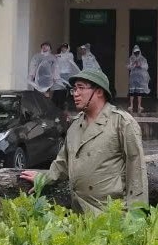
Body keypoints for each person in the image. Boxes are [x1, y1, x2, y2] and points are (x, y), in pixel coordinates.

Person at [19, 69, 148, 214]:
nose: (75, 93)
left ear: (99, 91)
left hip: (112, 215)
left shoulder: (121, 122)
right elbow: (63, 163)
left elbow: (136, 169)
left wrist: (136, 215)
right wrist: (43, 179)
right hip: (80, 214)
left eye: (81, 88)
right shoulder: (75, 125)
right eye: (74, 89)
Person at [52, 43, 80, 111]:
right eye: (62, 47)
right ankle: (55, 106)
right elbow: (55, 65)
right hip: (58, 75)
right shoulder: (58, 56)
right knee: (57, 91)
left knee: (62, 90)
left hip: (66, 75)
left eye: (65, 47)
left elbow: (65, 58)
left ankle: (60, 107)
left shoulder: (70, 54)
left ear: (67, 48)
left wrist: (57, 56)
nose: (63, 48)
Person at [127, 45, 151, 114]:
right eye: (135, 52)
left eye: (137, 52)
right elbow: (128, 67)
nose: (136, 53)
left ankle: (139, 105)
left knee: (139, 92)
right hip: (133, 77)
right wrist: (133, 64)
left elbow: (146, 67)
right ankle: (131, 105)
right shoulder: (131, 59)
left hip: (140, 77)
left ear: (139, 52)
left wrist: (140, 65)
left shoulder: (143, 59)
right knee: (132, 92)